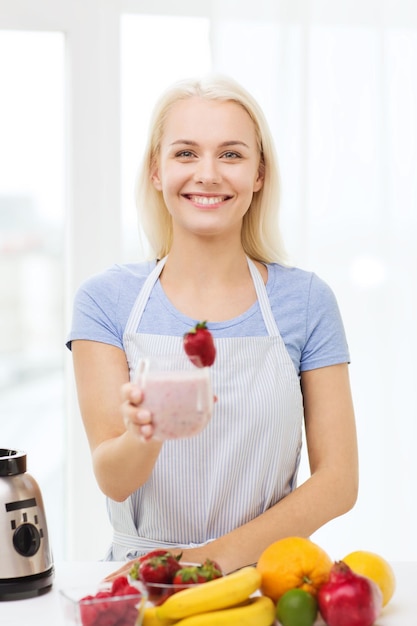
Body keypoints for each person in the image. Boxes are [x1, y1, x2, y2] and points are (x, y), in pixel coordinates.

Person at [66, 74, 358, 576]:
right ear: (156, 172)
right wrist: (145, 433)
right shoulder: (105, 301)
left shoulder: (307, 301)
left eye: (230, 154)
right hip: (143, 581)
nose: (208, 174)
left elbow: (339, 481)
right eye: (184, 153)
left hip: (263, 581)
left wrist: (203, 564)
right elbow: (114, 480)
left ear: (259, 174)